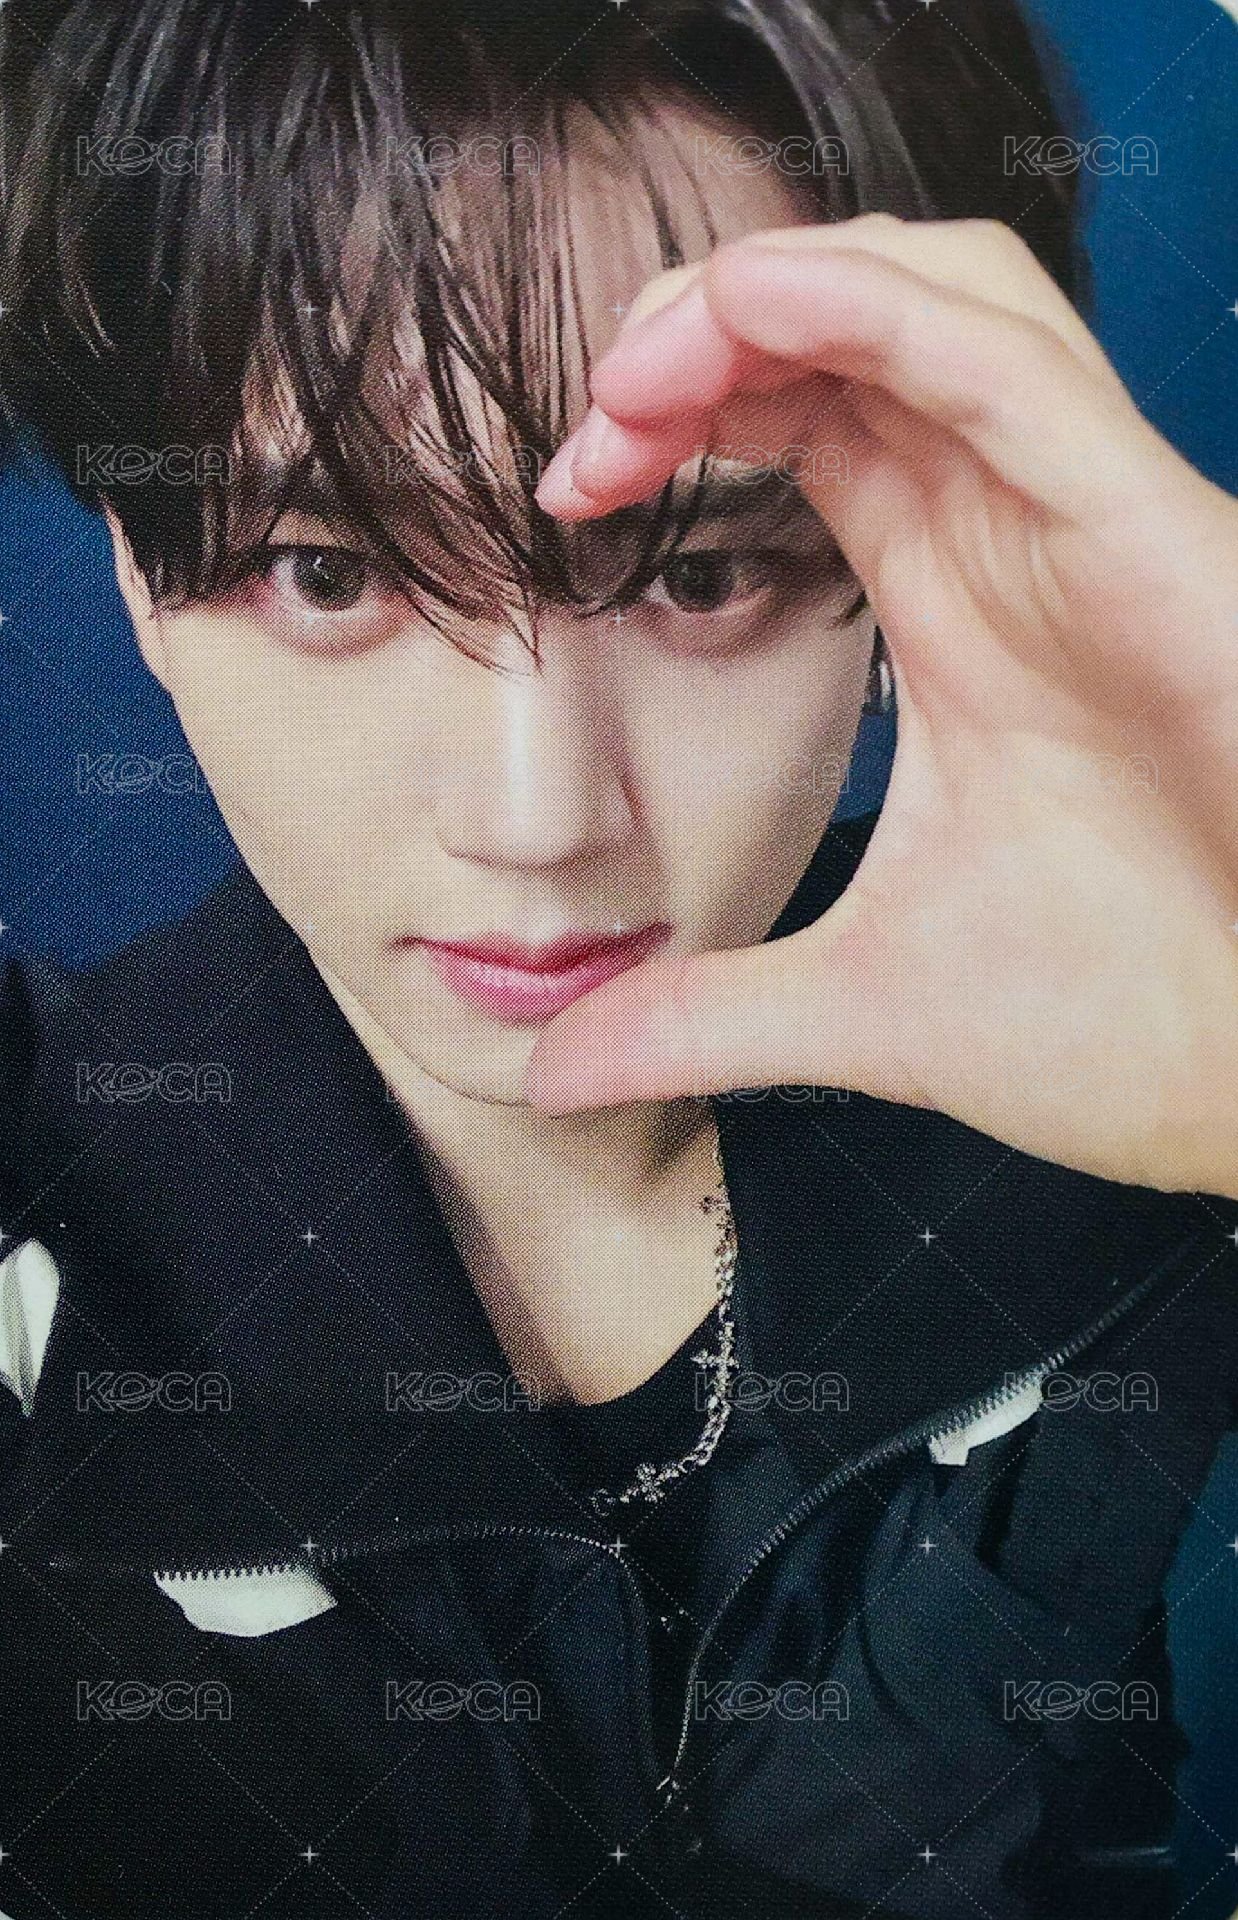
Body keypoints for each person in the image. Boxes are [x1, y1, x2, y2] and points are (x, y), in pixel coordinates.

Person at [0, 1, 1235, 1917]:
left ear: (888, 576)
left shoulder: (1133, 1041)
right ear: (140, 589)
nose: (536, 818)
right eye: (331, 569)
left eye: (698, 574)